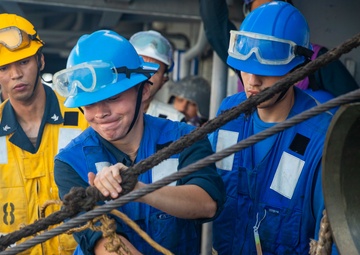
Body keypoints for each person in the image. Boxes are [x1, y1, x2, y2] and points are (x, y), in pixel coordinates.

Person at [52, 29, 225, 255]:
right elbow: (103, 241)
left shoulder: (185, 139)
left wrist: (140, 190)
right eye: (89, 104)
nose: (101, 113)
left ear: (143, 91)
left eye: (113, 98)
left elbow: (208, 203)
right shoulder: (70, 162)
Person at [209, 2, 338, 254]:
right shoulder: (228, 115)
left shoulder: (319, 137)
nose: (252, 82)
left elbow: (332, 237)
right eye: (246, 70)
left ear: (297, 69)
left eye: (266, 72)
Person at [0, 13, 89, 254]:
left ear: (40, 61)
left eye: (24, 62)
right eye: (4, 67)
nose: (16, 74)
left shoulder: (83, 117)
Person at [199, 0, 359, 101]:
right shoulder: (244, 55)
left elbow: (354, 107)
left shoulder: (317, 58)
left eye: (271, 16)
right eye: (258, 14)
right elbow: (215, 28)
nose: (253, 80)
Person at [129, 30, 185, 122]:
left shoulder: (174, 120)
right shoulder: (102, 109)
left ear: (163, 80)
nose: (145, 75)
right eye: (139, 66)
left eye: (153, 70)